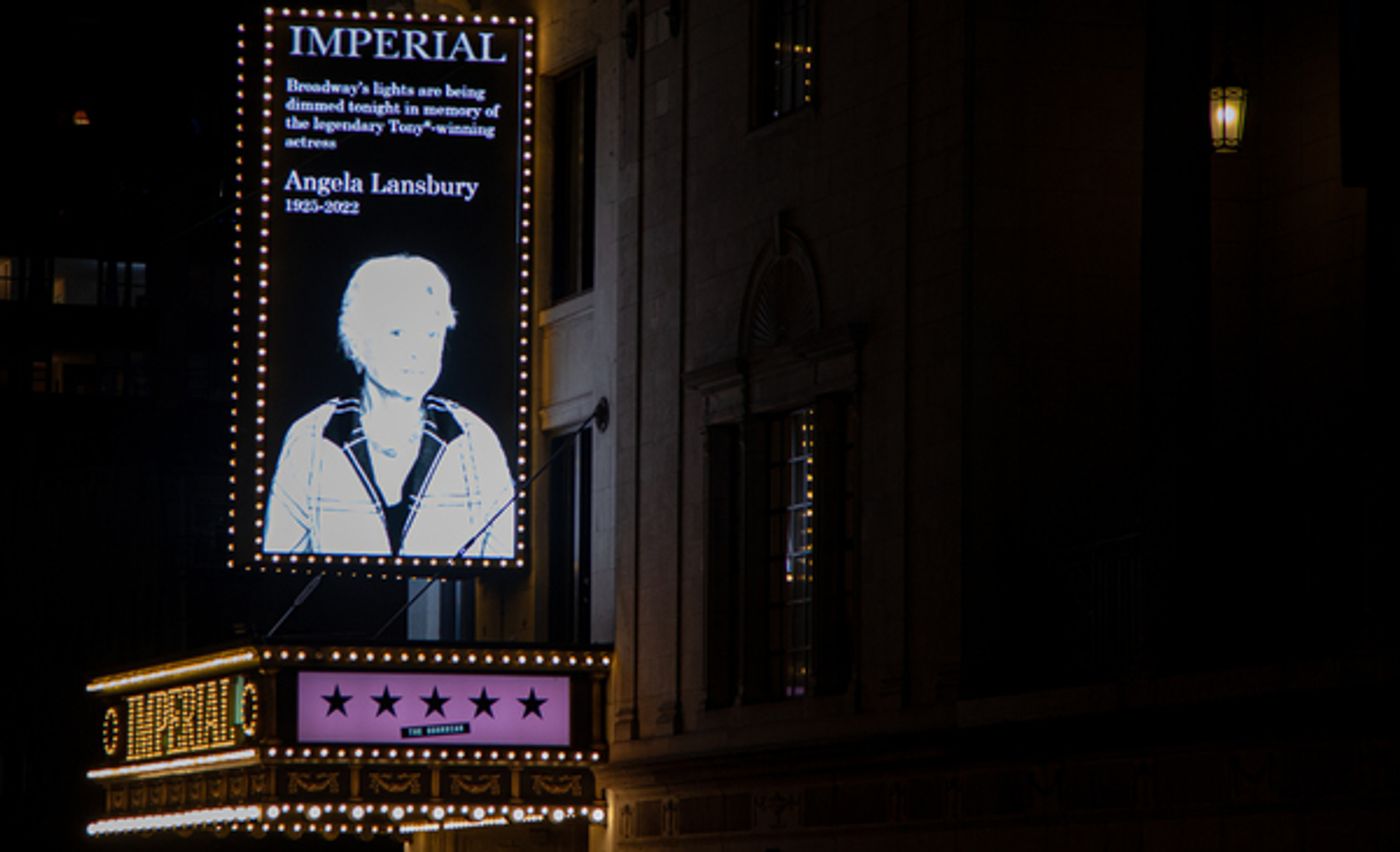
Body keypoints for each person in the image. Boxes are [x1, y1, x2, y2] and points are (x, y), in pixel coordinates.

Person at [264, 254, 515, 558]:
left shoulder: (476, 441)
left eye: (431, 334)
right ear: (356, 341)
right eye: (397, 333)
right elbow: (280, 564)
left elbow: (502, 562)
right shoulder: (311, 438)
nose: (417, 351)